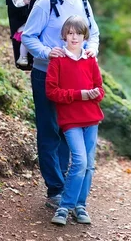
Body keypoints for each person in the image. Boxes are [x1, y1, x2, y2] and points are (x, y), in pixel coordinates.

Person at [21, 0, 100, 210]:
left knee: (70, 130)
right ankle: (55, 189)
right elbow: (28, 36)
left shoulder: (82, 1)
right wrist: (46, 51)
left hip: (75, 79)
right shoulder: (46, 1)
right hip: (46, 75)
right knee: (49, 131)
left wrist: (92, 50)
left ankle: (68, 185)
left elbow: (94, 34)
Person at [45, 15, 104, 225]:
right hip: (70, 120)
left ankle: (80, 206)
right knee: (79, 161)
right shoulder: (58, 60)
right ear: (64, 35)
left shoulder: (90, 59)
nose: (74, 37)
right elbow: (52, 92)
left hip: (91, 118)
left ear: (84, 35)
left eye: (78, 33)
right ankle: (64, 207)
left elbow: (100, 90)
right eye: (70, 33)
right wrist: (80, 94)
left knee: (88, 165)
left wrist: (92, 94)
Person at [12, 0, 45, 67]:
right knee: (26, 37)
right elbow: (17, 5)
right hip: (26, 23)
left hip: (39, 23)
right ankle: (22, 57)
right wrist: (24, 2)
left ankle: (38, 57)